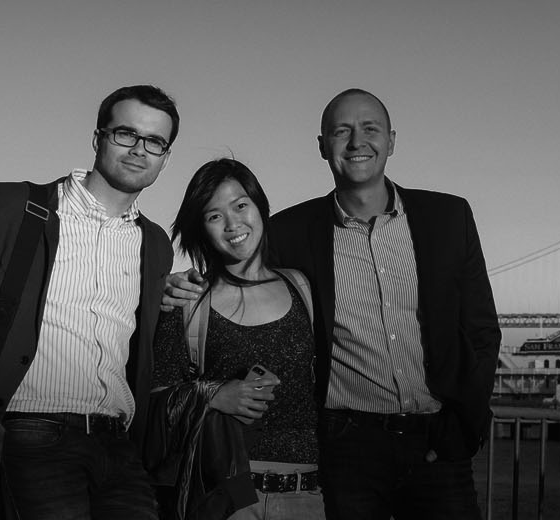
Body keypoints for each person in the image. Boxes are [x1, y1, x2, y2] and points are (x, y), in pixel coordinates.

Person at [164, 89, 501, 519]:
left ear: (392, 141)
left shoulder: (449, 217)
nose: (357, 142)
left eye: (370, 129)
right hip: (346, 449)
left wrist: (464, 426)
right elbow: (239, 270)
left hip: (438, 443)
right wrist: (180, 284)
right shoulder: (289, 231)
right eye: (342, 131)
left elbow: (481, 330)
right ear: (323, 146)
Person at [0, 85, 178, 519]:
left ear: (165, 157)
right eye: (126, 134)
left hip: (118, 443)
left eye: (155, 141)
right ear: (98, 138)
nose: (139, 149)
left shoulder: (154, 243)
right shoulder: (10, 206)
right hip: (32, 431)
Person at [149, 158, 321, 520]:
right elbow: (152, 400)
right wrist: (212, 394)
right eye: (214, 216)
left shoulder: (303, 287)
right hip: (223, 497)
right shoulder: (186, 301)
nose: (232, 224)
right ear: (200, 229)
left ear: (260, 206)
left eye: (241, 205)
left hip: (307, 495)